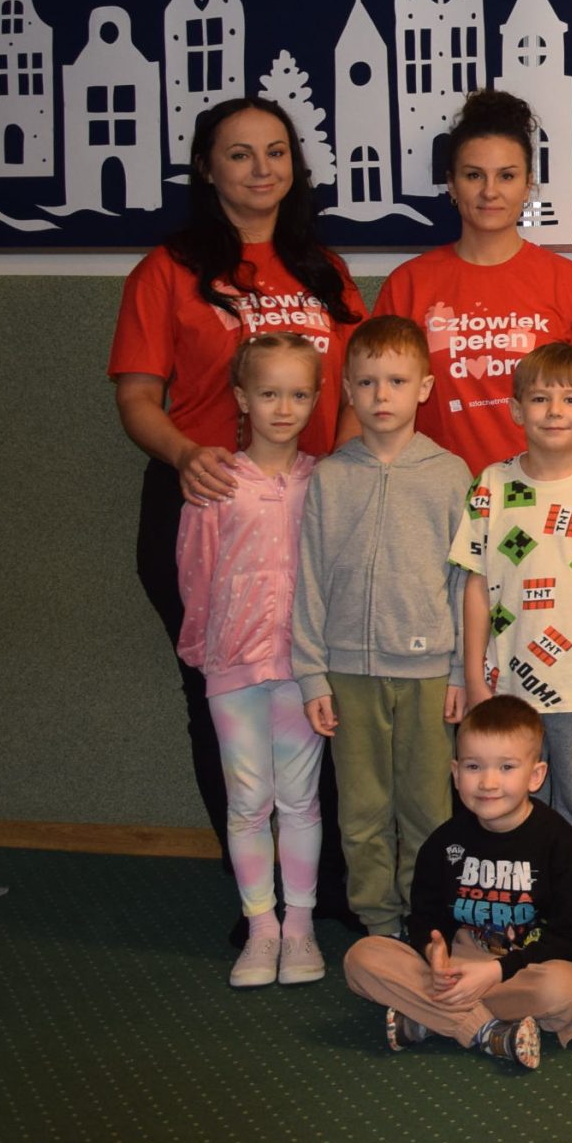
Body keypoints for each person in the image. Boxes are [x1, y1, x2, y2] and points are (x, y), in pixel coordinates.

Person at [111, 95, 365, 935]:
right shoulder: (167, 270)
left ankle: (328, 883)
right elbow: (138, 399)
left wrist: (346, 479)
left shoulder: (323, 268)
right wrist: (186, 454)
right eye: (240, 153)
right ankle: (255, 891)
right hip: (208, 508)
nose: (262, 168)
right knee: (221, 701)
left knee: (323, 691)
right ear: (207, 167)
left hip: (309, 511)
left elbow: (357, 392)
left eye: (277, 151)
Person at [292, 315, 471, 938]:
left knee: (428, 808)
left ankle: (427, 919)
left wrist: (459, 670)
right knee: (362, 810)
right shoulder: (330, 476)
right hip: (349, 673)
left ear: (424, 387)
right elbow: (309, 578)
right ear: (347, 389)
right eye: (367, 383)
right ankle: (378, 921)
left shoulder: (450, 474)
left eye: (396, 381)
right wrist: (312, 674)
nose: (381, 396)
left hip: (428, 675)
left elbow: (464, 581)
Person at [453, 342, 572, 926]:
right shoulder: (492, 485)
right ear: (516, 410)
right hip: (507, 691)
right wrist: (474, 679)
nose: (555, 411)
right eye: (539, 399)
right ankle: (519, 918)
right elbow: (476, 588)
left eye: (570, 399)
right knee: (510, 812)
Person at [176, 334, 327, 988]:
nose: (283, 408)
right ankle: (261, 927)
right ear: (242, 398)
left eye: (298, 394)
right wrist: (204, 652)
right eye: (269, 393)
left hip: (302, 669)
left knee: (300, 800)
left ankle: (300, 928)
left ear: (316, 398)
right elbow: (194, 574)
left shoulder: (324, 481)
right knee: (247, 802)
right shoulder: (216, 484)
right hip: (233, 666)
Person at [341, 696, 572, 1071]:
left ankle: (427, 1019)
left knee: (562, 991)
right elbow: (425, 917)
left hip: (522, 970)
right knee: (361, 958)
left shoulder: (560, 843)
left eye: (506, 767)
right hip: (459, 965)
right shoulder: (444, 843)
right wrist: (433, 953)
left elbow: (571, 936)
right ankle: (488, 1032)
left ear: (535, 775)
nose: (488, 782)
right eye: (474, 767)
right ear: (456, 773)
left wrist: (496, 971)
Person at [374, 89, 572, 473]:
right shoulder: (407, 285)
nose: (489, 191)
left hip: (543, 491)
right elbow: (373, 397)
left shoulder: (567, 282)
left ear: (528, 184)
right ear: (451, 184)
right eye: (473, 175)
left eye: (507, 176)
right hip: (434, 491)